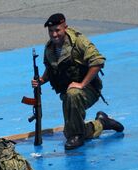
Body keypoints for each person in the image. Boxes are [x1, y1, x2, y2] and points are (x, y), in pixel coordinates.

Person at [32, 13, 124, 150]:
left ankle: (77, 136)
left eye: (57, 30)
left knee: (73, 122)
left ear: (65, 28)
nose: (54, 34)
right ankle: (101, 123)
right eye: (51, 31)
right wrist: (42, 80)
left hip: (88, 90)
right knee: (68, 132)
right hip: (67, 94)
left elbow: (98, 61)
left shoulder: (79, 42)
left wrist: (82, 84)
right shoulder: (50, 47)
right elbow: (51, 68)